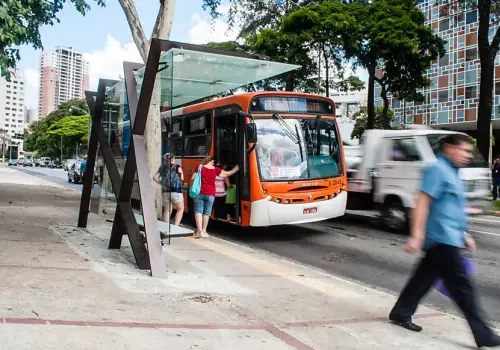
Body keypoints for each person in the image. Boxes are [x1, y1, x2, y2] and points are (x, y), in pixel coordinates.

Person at [388, 134, 500, 348]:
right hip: (441, 238)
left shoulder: (453, 172)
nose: (468, 155)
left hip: (449, 236)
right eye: (464, 150)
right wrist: (417, 234)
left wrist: (464, 234)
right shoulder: (437, 169)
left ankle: (401, 312)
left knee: (424, 277)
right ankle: (483, 334)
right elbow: (422, 201)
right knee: (462, 287)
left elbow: (452, 208)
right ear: (449, 148)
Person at [191, 155, 239, 238]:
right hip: (210, 193)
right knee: (207, 213)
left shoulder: (199, 167)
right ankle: (204, 231)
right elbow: (226, 174)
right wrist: (235, 170)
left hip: (199, 192)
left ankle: (199, 231)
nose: (213, 163)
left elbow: (192, 178)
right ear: (210, 161)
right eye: (213, 161)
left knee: (198, 211)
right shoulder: (215, 169)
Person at [153, 153, 184, 226]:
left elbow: (154, 177)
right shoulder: (177, 167)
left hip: (165, 192)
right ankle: (176, 227)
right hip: (176, 191)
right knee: (180, 209)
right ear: (173, 159)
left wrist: (162, 183)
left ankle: (165, 227)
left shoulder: (162, 168)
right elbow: (182, 178)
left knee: (167, 210)